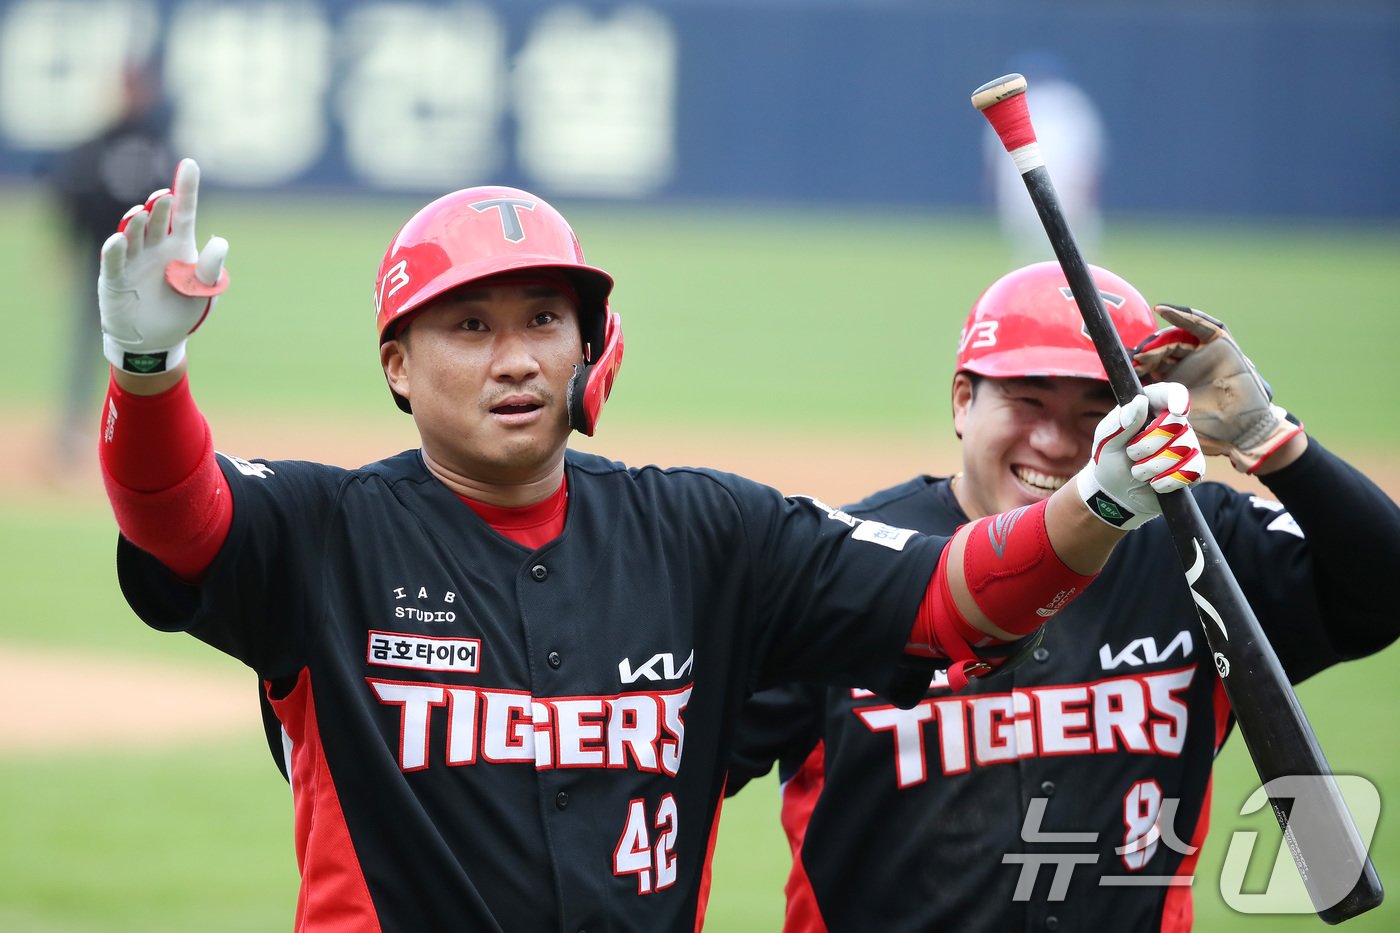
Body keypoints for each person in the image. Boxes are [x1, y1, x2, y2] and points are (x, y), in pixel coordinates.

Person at [95, 159, 1207, 930]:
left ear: (588, 347)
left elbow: (949, 598)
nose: (515, 359)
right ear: (397, 365)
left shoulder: (706, 533)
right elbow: (172, 514)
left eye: (543, 321)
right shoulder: (321, 533)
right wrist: (149, 371)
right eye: (469, 327)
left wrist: (1098, 498)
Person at [726, 261, 1400, 931]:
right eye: (1029, 401)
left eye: (1097, 410)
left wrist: (1273, 443)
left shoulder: (1195, 544)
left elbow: (1382, 587)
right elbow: (691, 753)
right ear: (964, 400)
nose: (1054, 442)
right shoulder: (851, 563)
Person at [45, 59, 174, 468]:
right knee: (87, 349)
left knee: (150, 352)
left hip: (149, 270)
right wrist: (67, 247)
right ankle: (71, 435)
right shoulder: (98, 144)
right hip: (101, 264)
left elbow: (179, 205)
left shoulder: (159, 142)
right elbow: (71, 197)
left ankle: (149, 435)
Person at [984, 53, 1105, 264]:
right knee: (1078, 252)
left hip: (1031, 185)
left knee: (1034, 252)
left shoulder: (1066, 101)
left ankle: (1040, 289)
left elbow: (995, 158)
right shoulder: (1072, 101)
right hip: (1060, 184)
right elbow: (1090, 151)